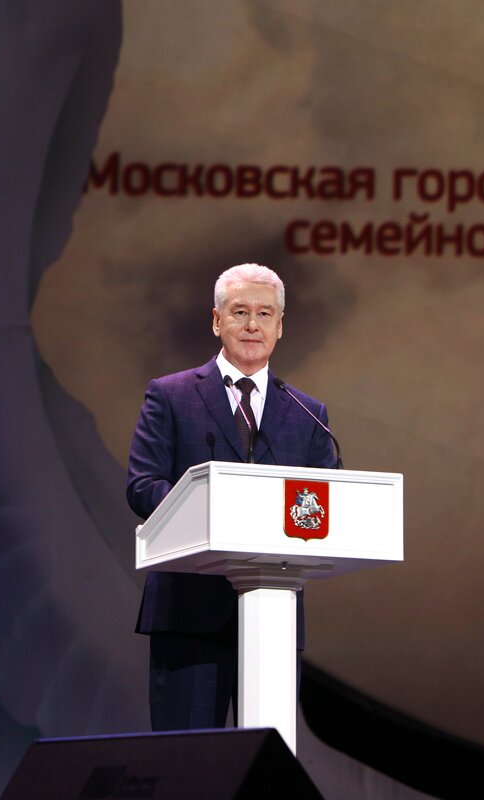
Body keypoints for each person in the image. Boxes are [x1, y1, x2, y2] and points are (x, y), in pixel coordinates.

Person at [126, 262, 338, 731]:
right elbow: (143, 485)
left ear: (280, 326)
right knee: (186, 762)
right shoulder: (171, 395)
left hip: (273, 615)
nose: (252, 325)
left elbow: (329, 501)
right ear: (216, 320)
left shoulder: (307, 413)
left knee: (264, 763)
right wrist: (213, 514)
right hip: (188, 613)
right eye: (240, 312)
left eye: (265, 314)